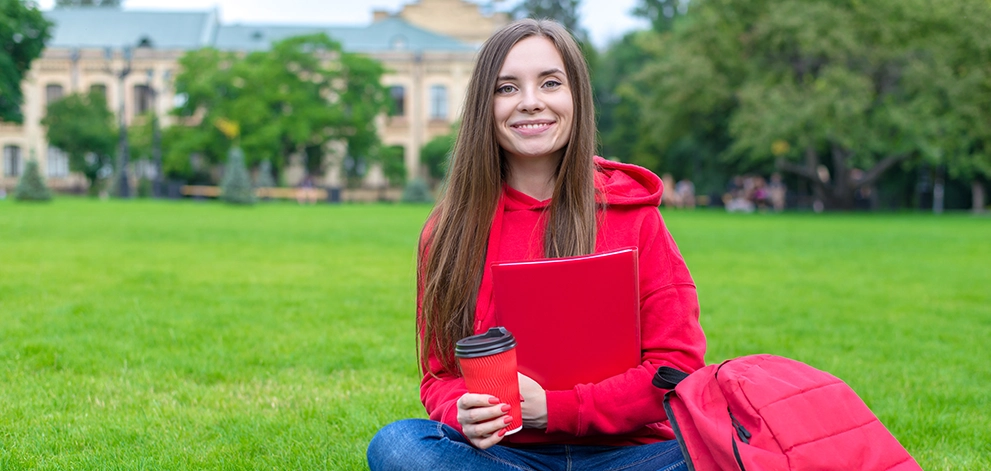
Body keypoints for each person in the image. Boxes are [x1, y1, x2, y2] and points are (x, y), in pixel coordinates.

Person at [367, 19, 706, 471]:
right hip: (507, 457)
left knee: (726, 448)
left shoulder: (635, 217)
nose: (530, 103)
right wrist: (460, 412)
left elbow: (676, 368)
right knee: (399, 444)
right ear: (483, 105)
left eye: (550, 83)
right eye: (506, 88)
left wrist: (555, 408)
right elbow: (441, 375)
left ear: (576, 97)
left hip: (631, 454)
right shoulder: (449, 231)